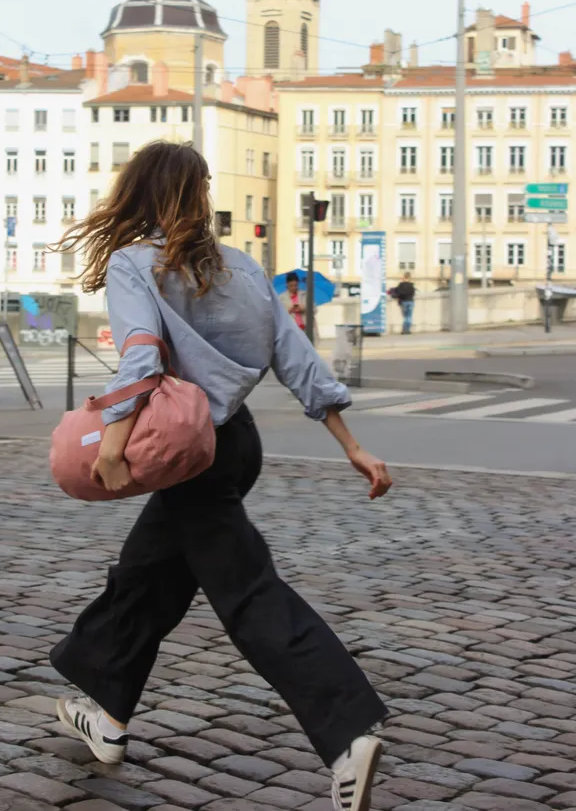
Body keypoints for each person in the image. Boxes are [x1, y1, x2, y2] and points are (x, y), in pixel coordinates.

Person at [48, 141, 392, 811]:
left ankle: (346, 732)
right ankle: (108, 715)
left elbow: (141, 356)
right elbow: (296, 358)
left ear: (139, 192)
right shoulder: (243, 267)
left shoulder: (132, 264)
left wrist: (113, 442)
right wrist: (350, 443)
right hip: (234, 444)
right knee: (145, 576)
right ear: (199, 194)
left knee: (247, 592)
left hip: (184, 451)